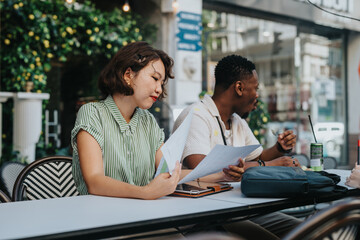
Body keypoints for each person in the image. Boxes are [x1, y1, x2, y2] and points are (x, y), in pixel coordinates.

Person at [71, 42, 242, 200]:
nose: (159, 89)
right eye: (155, 78)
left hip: (145, 216)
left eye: (162, 82)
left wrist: (221, 175)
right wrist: (145, 192)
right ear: (128, 75)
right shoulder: (92, 113)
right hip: (102, 222)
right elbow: (94, 181)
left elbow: (171, 172)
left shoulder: (148, 122)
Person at [172, 55, 301, 239]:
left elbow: (259, 157)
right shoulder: (196, 115)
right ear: (239, 88)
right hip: (205, 215)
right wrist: (272, 165)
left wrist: (279, 148)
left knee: (306, 229)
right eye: (255, 88)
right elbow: (199, 167)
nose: (257, 95)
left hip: (239, 208)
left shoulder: (237, 121)